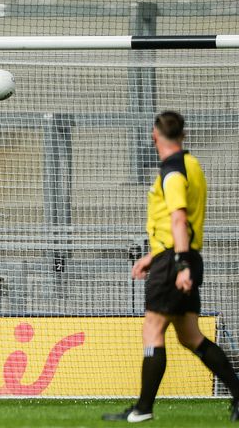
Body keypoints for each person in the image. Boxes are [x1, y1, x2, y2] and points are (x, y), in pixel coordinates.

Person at [102, 111, 239, 423]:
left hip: (175, 261)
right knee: (190, 336)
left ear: (154, 136)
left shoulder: (173, 171)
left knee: (152, 330)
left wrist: (180, 264)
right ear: (183, 135)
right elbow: (178, 223)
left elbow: (178, 219)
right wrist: (155, 256)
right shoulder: (192, 165)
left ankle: (142, 409)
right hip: (178, 255)